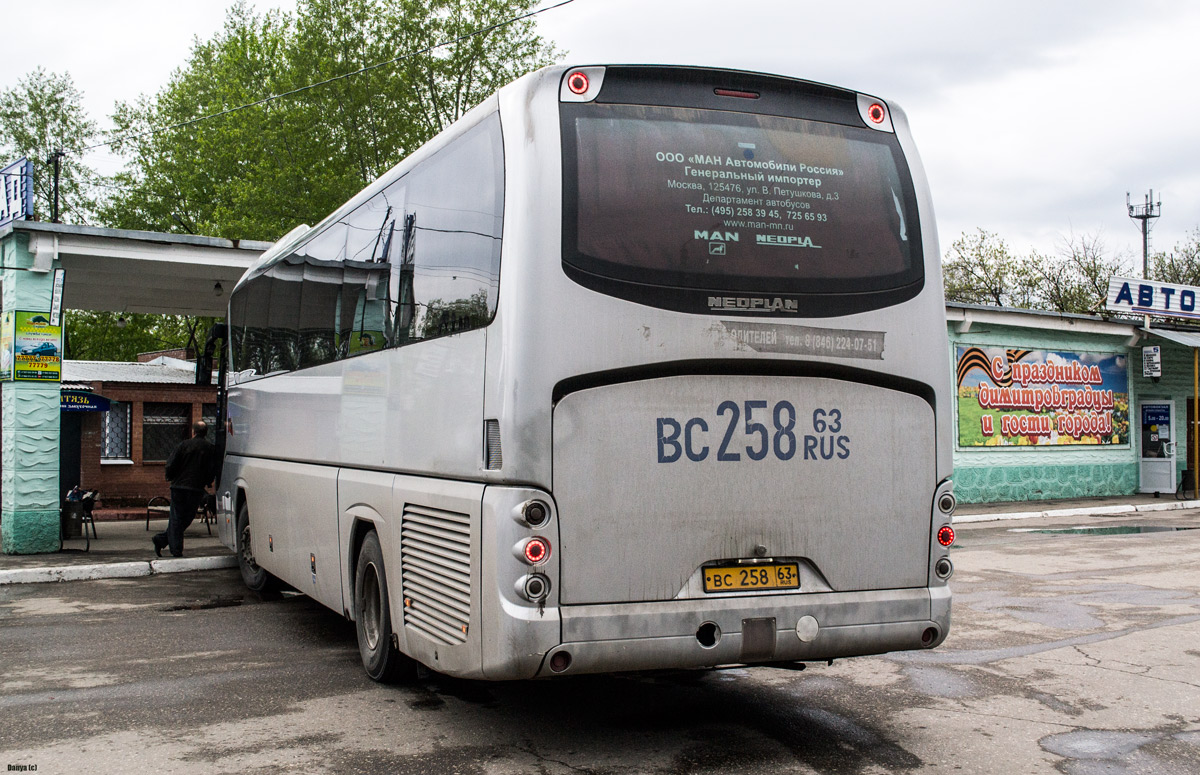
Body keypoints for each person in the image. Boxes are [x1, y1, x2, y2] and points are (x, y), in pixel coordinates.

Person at [152, 420, 220, 558]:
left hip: (179, 487)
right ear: (206, 433)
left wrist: (170, 477)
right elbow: (212, 469)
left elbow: (171, 464)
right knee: (187, 518)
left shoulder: (183, 445)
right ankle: (175, 549)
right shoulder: (210, 449)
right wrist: (207, 482)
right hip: (195, 489)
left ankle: (162, 540)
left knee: (177, 517)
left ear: (193, 432)